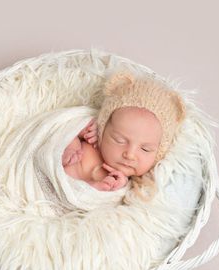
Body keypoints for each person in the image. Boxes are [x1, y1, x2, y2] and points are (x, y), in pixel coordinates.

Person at [62, 70, 186, 198]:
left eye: (145, 149)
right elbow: (59, 128)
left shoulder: (127, 186)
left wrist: (115, 189)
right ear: (103, 128)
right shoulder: (89, 139)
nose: (130, 155)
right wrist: (71, 144)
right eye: (119, 140)